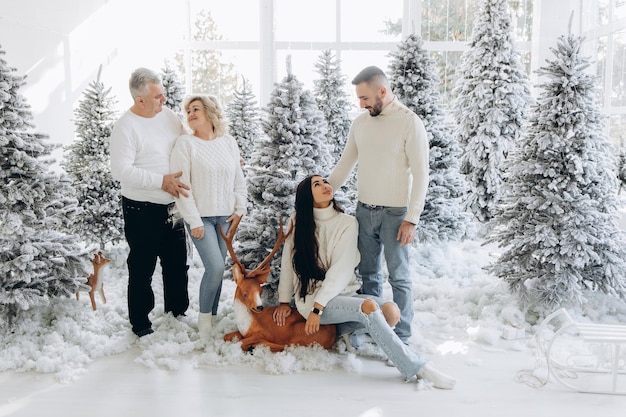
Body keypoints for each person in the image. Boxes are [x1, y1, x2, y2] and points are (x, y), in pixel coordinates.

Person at [273, 175, 454, 389]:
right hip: (312, 301)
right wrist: (287, 302)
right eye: (317, 184)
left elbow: (341, 270)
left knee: (391, 312)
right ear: (306, 196)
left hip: (339, 296)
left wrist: (320, 307)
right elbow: (288, 263)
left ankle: (349, 333)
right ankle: (416, 367)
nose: (325, 186)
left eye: (325, 182)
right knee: (367, 308)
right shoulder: (299, 221)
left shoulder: (347, 223)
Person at [327, 66, 429, 344]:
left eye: (365, 98)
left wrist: (412, 219)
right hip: (364, 211)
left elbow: (421, 173)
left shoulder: (409, 122)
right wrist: (323, 193)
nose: (361, 104)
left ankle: (403, 335)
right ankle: (376, 329)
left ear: (382, 91)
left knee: (399, 276)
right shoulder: (360, 123)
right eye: (359, 99)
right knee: (369, 275)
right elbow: (345, 163)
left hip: (396, 216)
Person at [110, 67, 191, 337]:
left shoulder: (167, 116)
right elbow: (121, 170)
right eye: (157, 97)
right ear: (139, 99)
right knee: (143, 267)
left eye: (163, 94)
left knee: (177, 264)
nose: (164, 101)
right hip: (141, 209)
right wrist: (161, 181)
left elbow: (187, 143)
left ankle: (177, 314)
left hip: (173, 206)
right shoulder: (126, 127)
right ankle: (141, 325)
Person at [170, 94, 247, 337]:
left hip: (225, 217)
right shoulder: (185, 144)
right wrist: (193, 221)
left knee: (219, 267)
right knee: (214, 268)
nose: (191, 114)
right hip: (201, 218)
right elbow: (182, 188)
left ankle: (213, 317)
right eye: (188, 110)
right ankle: (204, 322)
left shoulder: (228, 142)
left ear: (211, 113)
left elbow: (238, 179)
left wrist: (240, 209)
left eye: (196, 109)